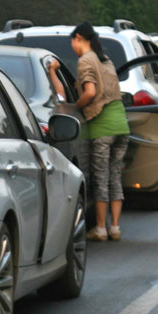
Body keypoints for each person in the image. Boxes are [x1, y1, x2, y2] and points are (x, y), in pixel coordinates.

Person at [49, 22, 130, 242]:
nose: (73, 47)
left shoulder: (86, 60)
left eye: (72, 42)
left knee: (101, 177)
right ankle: (115, 227)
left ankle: (101, 228)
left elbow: (90, 92)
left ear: (78, 38)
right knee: (115, 176)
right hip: (121, 124)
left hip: (102, 126)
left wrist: (76, 106)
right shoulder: (105, 59)